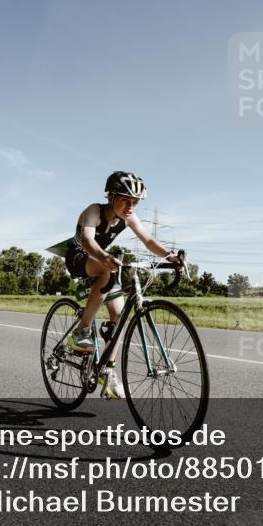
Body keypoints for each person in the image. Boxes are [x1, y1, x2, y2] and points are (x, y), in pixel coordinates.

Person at [64, 170, 182, 399]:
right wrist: (104, 257)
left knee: (118, 315)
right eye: (125, 200)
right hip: (80, 257)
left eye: (135, 202)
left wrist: (170, 256)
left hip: (102, 260)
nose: (130, 206)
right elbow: (88, 240)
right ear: (111, 197)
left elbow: (148, 240)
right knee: (106, 271)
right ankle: (81, 332)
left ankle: (107, 369)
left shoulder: (128, 218)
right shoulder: (93, 211)